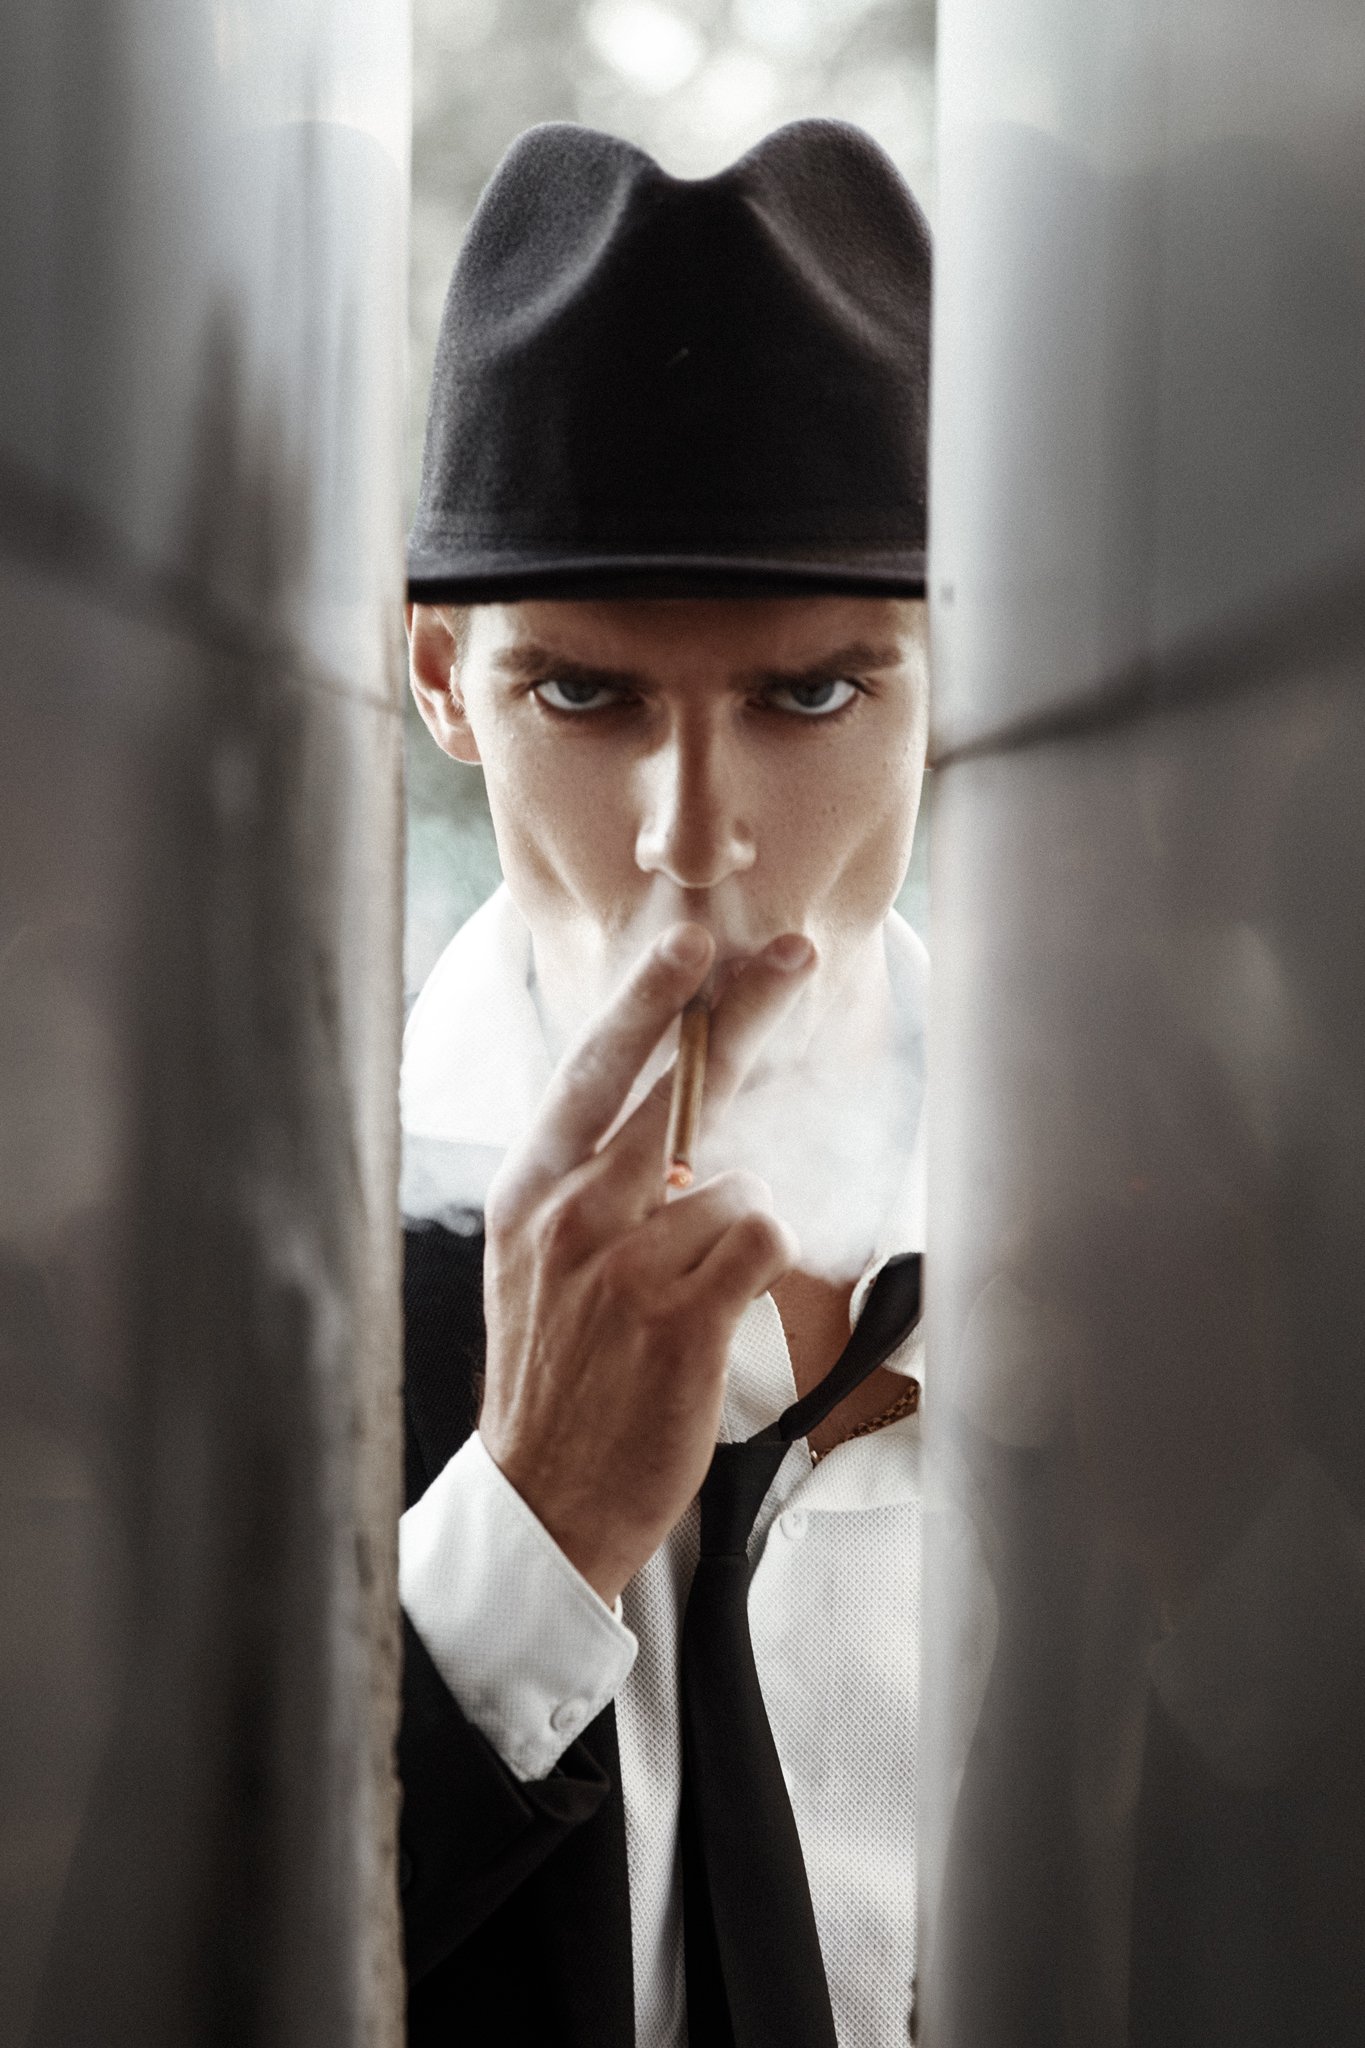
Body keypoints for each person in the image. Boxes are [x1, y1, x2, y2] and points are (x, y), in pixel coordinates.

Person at [396, 120, 933, 2047]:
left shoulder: (1184, 1260)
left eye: (809, 693)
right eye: (584, 691)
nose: (689, 841)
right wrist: (518, 1534)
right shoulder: (228, 1293)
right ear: (441, 680)